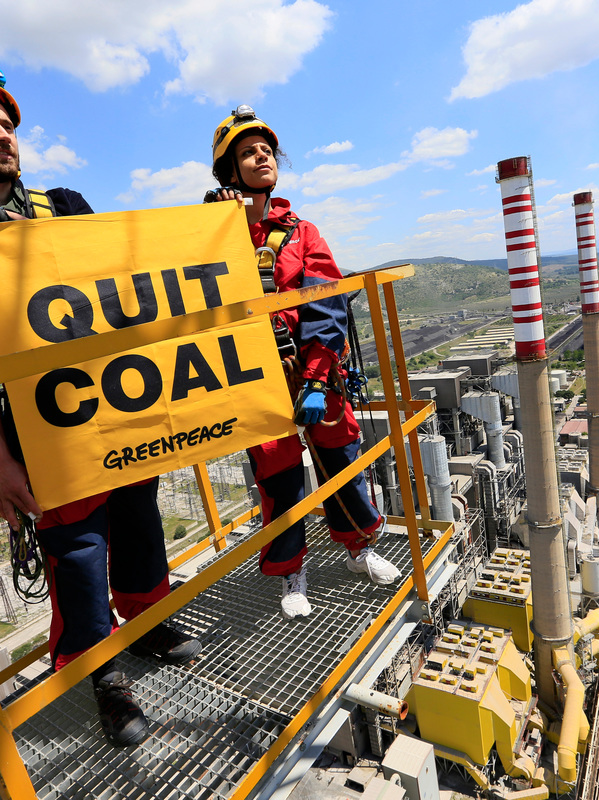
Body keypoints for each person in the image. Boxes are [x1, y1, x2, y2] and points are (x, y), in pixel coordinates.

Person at [0, 64, 200, 747]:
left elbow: (113, 282)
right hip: (44, 421)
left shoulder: (66, 205)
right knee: (76, 545)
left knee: (138, 515)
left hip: (117, 398)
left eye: (8, 124)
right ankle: (103, 675)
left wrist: (17, 236)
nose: (4, 136)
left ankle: (145, 620)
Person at [205, 106, 402, 620]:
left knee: (341, 460)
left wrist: (316, 378)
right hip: (251, 379)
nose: (261, 155)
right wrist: (209, 226)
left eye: (265, 149)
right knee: (280, 480)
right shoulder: (208, 236)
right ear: (228, 171)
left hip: (309, 370)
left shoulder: (301, 233)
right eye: (247, 152)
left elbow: (326, 304)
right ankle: (292, 571)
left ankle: (361, 548)